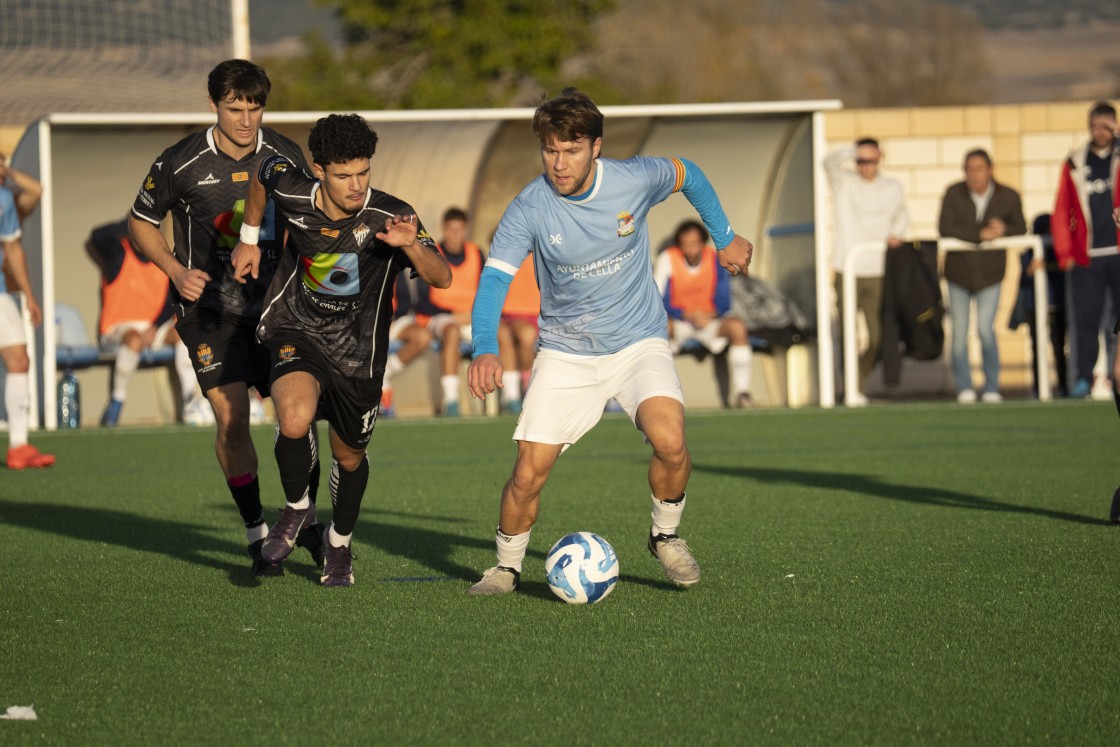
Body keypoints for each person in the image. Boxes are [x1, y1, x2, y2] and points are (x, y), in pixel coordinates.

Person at [464, 87, 753, 595]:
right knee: (529, 472)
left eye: (571, 150)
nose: (559, 162)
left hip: (638, 341)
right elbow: (494, 280)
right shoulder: (529, 208)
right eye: (550, 150)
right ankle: (506, 566)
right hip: (566, 353)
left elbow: (688, 173)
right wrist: (485, 345)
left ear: (596, 147)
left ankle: (664, 536)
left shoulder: (634, 179)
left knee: (672, 442)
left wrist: (723, 235)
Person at [231, 113, 451, 586]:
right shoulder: (292, 187)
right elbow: (261, 174)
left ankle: (339, 545)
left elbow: (443, 277)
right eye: (343, 174)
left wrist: (412, 246)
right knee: (293, 418)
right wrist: (248, 239)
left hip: (358, 351)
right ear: (318, 170)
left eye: (363, 172)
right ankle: (295, 511)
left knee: (348, 457)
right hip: (297, 328)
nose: (356, 184)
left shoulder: (392, 214)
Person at [128, 59, 323, 576]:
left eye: (254, 108)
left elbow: (309, 216)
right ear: (213, 104)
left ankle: (304, 518)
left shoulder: (284, 152)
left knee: (296, 419)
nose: (245, 120)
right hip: (210, 312)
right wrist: (173, 269)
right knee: (233, 419)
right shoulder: (181, 161)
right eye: (234, 108)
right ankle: (258, 534)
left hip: (277, 307)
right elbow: (140, 221)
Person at [84, 217, 204, 426]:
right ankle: (117, 401)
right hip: (118, 328)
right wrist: (133, 221)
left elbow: (170, 301)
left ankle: (190, 401)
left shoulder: (164, 260)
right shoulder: (118, 255)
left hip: (153, 327)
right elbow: (97, 235)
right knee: (134, 341)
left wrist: (154, 327)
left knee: (186, 334)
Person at [938, 148, 1026, 404]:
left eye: (978, 168)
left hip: (990, 274)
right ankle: (964, 387)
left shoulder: (1008, 196)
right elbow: (945, 228)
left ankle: (991, 388)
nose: (973, 174)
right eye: (968, 169)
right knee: (959, 335)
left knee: (986, 331)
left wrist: (1004, 229)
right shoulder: (953, 193)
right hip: (958, 274)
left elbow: (1022, 226)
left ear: (990, 169)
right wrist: (980, 234)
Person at [824, 138, 908, 405]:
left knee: (878, 337)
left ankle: (853, 382)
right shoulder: (844, 181)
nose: (866, 166)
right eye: (861, 160)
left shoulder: (893, 186)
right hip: (846, 269)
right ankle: (851, 390)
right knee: (847, 334)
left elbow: (901, 217)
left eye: (871, 160)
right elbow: (827, 162)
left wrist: (897, 234)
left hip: (879, 271)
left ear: (880, 158)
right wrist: (853, 150)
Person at [1053, 101, 1120, 399]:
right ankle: (1083, 378)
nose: (1101, 131)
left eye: (1107, 125)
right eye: (1096, 125)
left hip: (1118, 253)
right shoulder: (1075, 162)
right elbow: (1062, 208)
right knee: (1085, 321)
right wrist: (1065, 251)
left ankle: (1115, 376)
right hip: (1087, 256)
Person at [654, 219, 753, 407]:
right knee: (657, 331)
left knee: (737, 327)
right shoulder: (667, 258)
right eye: (686, 245)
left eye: (694, 244)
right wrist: (684, 314)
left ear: (702, 243)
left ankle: (742, 393)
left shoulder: (715, 258)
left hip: (710, 321)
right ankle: (660, 394)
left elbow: (724, 299)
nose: (690, 249)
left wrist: (710, 315)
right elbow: (658, 299)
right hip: (679, 320)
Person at [0, 184, 55, 469]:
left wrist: (29, 296)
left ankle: (19, 446)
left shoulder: (5, 199)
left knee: (20, 361)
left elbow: (12, 247)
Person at [414, 208, 484, 416]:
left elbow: (485, 291)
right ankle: (451, 401)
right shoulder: (431, 253)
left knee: (504, 333)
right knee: (452, 330)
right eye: (451, 229)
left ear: (466, 230)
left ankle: (512, 399)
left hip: (470, 317)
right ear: (444, 229)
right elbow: (422, 301)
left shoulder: (476, 253)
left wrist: (474, 314)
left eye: (459, 229)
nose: (455, 234)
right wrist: (454, 314)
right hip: (439, 318)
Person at [379, 274, 433, 419]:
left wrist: (390, 319)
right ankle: (382, 397)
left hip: (394, 321)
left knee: (423, 337)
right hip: (367, 323)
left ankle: (384, 373)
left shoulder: (393, 261)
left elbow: (405, 301)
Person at [497, 249, 541, 414]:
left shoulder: (548, 243)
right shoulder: (504, 250)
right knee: (524, 335)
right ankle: (522, 391)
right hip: (515, 314)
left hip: (547, 313)